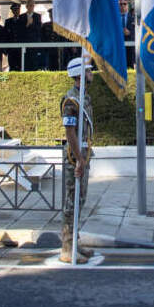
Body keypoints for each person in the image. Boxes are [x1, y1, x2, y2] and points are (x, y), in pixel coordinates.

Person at [60, 56, 95, 264]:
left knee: (80, 201)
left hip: (84, 153)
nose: (92, 74)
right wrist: (79, 159)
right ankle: (67, 247)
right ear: (80, 76)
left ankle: (75, 241)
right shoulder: (71, 100)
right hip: (75, 156)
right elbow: (70, 131)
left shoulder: (84, 98)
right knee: (71, 202)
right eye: (89, 71)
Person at [21, 0, 43, 70]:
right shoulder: (22, 17)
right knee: (26, 62)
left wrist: (32, 24)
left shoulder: (37, 16)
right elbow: (20, 30)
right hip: (25, 43)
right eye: (30, 5)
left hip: (34, 43)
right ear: (26, 6)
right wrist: (27, 24)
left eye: (33, 6)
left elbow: (39, 28)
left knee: (34, 62)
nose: (31, 7)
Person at [6, 4, 23, 71]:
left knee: (20, 66)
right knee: (11, 66)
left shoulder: (23, 20)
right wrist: (6, 49)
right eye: (14, 10)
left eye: (17, 9)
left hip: (20, 49)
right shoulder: (8, 21)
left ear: (19, 10)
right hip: (11, 49)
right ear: (12, 11)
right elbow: (6, 35)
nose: (16, 11)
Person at [120, 0, 136, 68]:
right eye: (120, 4)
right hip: (119, 46)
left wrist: (130, 33)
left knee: (130, 67)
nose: (122, 6)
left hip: (131, 47)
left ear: (127, 5)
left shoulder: (133, 18)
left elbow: (137, 32)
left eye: (124, 4)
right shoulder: (114, 18)